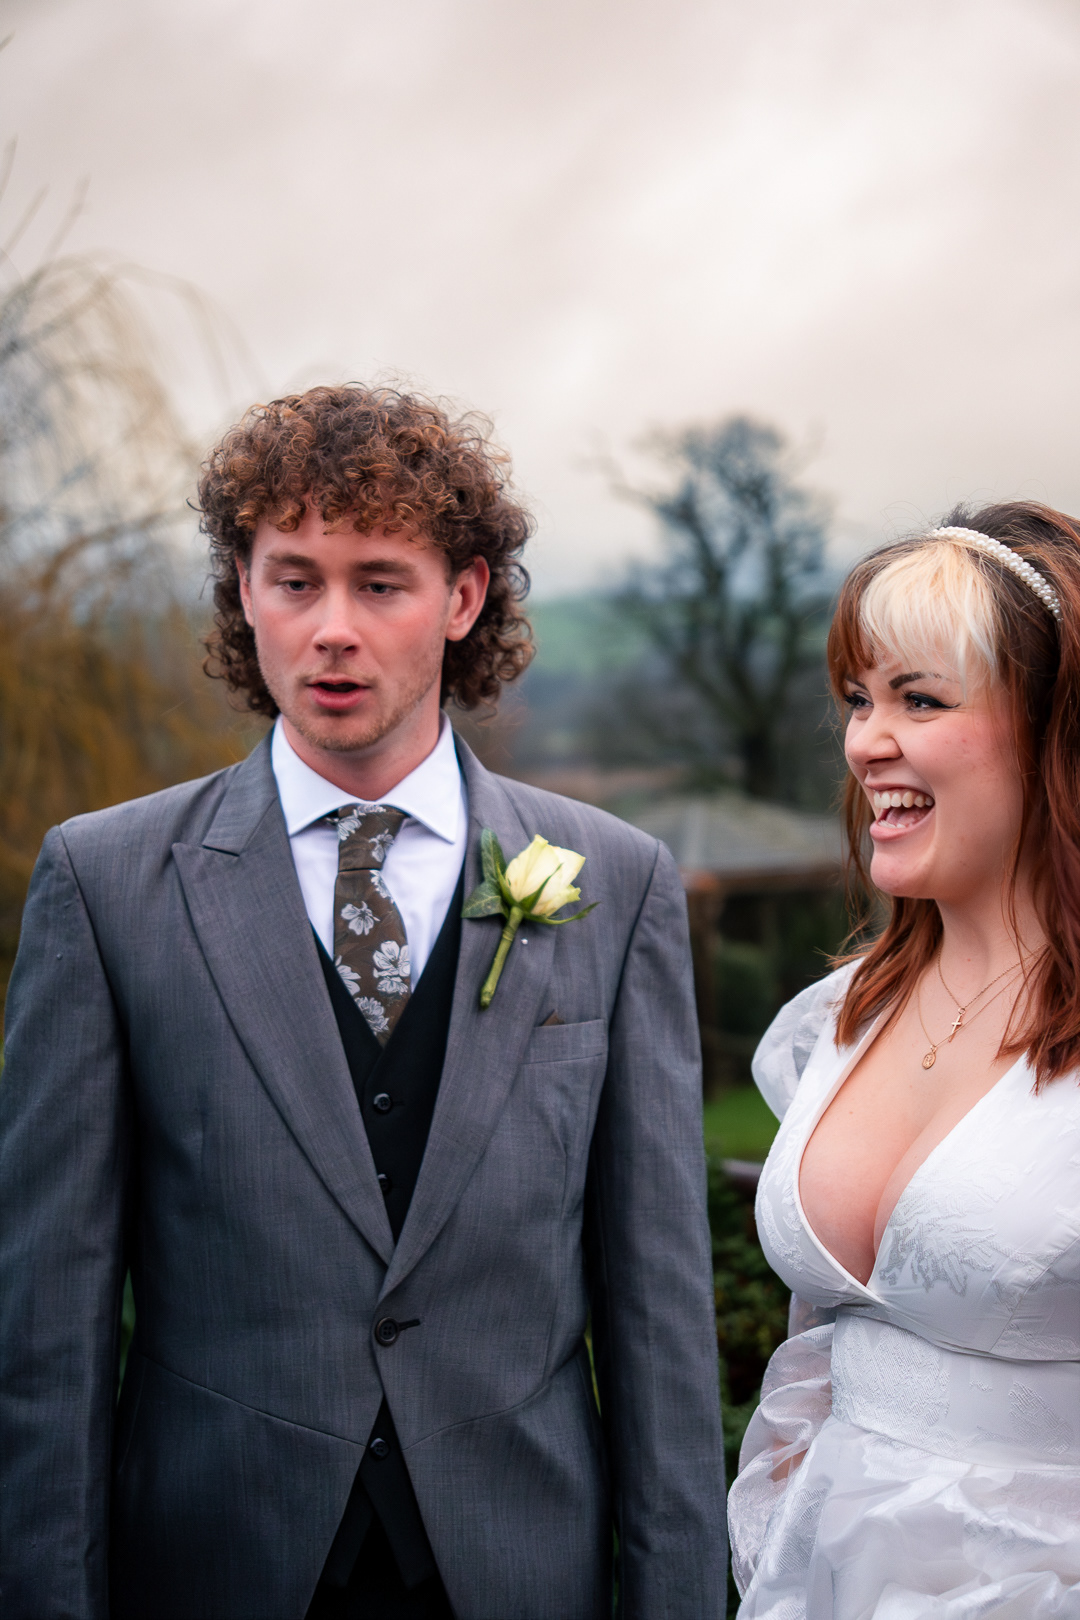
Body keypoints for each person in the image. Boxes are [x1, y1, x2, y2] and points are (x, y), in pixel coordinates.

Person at [0, 384, 727, 1620]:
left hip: (518, 1567)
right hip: (215, 1562)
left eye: (380, 583)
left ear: (464, 597)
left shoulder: (617, 884)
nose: (332, 630)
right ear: (245, 590)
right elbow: (46, 1332)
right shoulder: (104, 882)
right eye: (296, 580)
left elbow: (660, 1313)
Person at [728, 503, 1080, 1618]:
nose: (866, 742)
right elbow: (824, 1352)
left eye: (920, 700)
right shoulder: (836, 1021)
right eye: (858, 699)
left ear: (1058, 728)